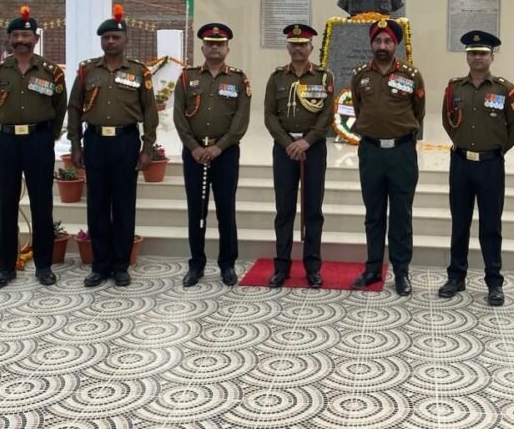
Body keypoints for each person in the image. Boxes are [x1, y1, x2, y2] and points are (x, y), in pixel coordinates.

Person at [67, 5, 158, 287]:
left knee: (123, 205)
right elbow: (74, 108)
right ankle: (100, 264)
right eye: (105, 38)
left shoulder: (139, 72)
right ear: (101, 41)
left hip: (125, 142)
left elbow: (150, 111)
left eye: (115, 38)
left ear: (125, 40)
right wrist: (75, 144)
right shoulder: (87, 71)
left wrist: (148, 147)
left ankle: (121, 265)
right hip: (94, 142)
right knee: (96, 205)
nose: (110, 42)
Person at [0, 6, 67, 289]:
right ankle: (6, 267)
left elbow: (59, 106)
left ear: (36, 38)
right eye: (16, 35)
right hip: (7, 141)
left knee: (42, 205)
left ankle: (43, 266)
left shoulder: (51, 72)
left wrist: (49, 136)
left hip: (38, 141)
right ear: (9, 39)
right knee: (6, 205)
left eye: (26, 35)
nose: (21, 39)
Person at [439, 30, 514, 306]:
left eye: (482, 53)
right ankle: (456, 276)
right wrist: (463, 145)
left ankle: (494, 281)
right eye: (473, 53)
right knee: (459, 223)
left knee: (491, 225)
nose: (477, 57)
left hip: (490, 165)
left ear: (492, 56)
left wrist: (495, 150)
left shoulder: (504, 89)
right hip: (461, 163)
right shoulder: (454, 88)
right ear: (467, 56)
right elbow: (447, 120)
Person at [349, 19, 425, 295]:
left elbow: (419, 111)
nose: (382, 46)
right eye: (378, 41)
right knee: (374, 213)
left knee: (402, 213)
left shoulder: (411, 75)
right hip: (371, 152)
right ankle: (372, 268)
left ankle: (401, 272)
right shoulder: (360, 76)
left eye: (388, 41)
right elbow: (359, 109)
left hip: (402, 153)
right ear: (371, 44)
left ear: (396, 44)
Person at [174, 23, 251, 287]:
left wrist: (220, 147)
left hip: (225, 153)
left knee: (225, 209)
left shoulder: (238, 79)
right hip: (194, 153)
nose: (215, 47)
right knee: (196, 209)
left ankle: (227, 264)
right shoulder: (187, 77)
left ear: (228, 48)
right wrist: (194, 148)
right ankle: (196, 264)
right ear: (203, 48)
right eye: (210, 43)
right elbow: (179, 117)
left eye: (220, 44)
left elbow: (241, 120)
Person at [263, 24, 334, 288]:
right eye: (293, 44)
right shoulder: (277, 78)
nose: (298, 49)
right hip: (284, 150)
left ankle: (312, 267)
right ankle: (281, 266)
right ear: (288, 47)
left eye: (303, 44)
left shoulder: (324, 78)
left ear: (311, 47)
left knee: (313, 209)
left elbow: (327, 114)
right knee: (284, 210)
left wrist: (307, 141)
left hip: (313, 150)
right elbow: (269, 115)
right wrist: (287, 142)